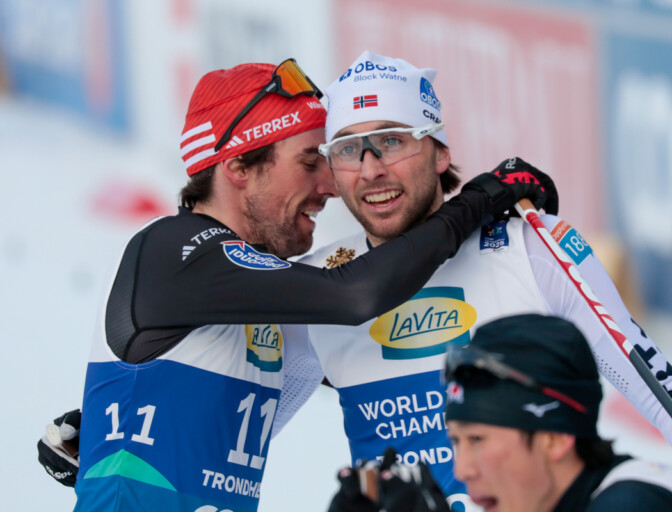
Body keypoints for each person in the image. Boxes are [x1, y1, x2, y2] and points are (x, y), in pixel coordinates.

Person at [39, 58, 551, 512]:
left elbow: (307, 377)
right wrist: (478, 199)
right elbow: (355, 296)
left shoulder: (256, 296)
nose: (329, 184)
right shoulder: (176, 247)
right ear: (239, 167)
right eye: (310, 162)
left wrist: (112, 428)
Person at [298, 51, 672, 510]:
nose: (372, 170)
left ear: (440, 153)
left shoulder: (530, 245)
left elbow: (653, 382)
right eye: (349, 149)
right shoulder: (314, 285)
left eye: (392, 141)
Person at [442, 314, 672, 511]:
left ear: (555, 439)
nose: (462, 470)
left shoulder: (631, 504)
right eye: (456, 441)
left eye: (477, 440)